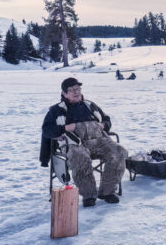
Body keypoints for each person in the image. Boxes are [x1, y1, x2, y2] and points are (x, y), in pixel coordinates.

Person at [40, 77, 128, 206]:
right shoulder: (56, 110)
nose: (76, 92)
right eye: (71, 90)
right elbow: (47, 130)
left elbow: (107, 120)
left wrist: (104, 125)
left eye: (78, 89)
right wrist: (65, 128)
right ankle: (89, 195)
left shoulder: (90, 105)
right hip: (75, 143)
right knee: (80, 156)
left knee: (119, 152)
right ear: (64, 93)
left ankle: (107, 192)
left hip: (99, 141)